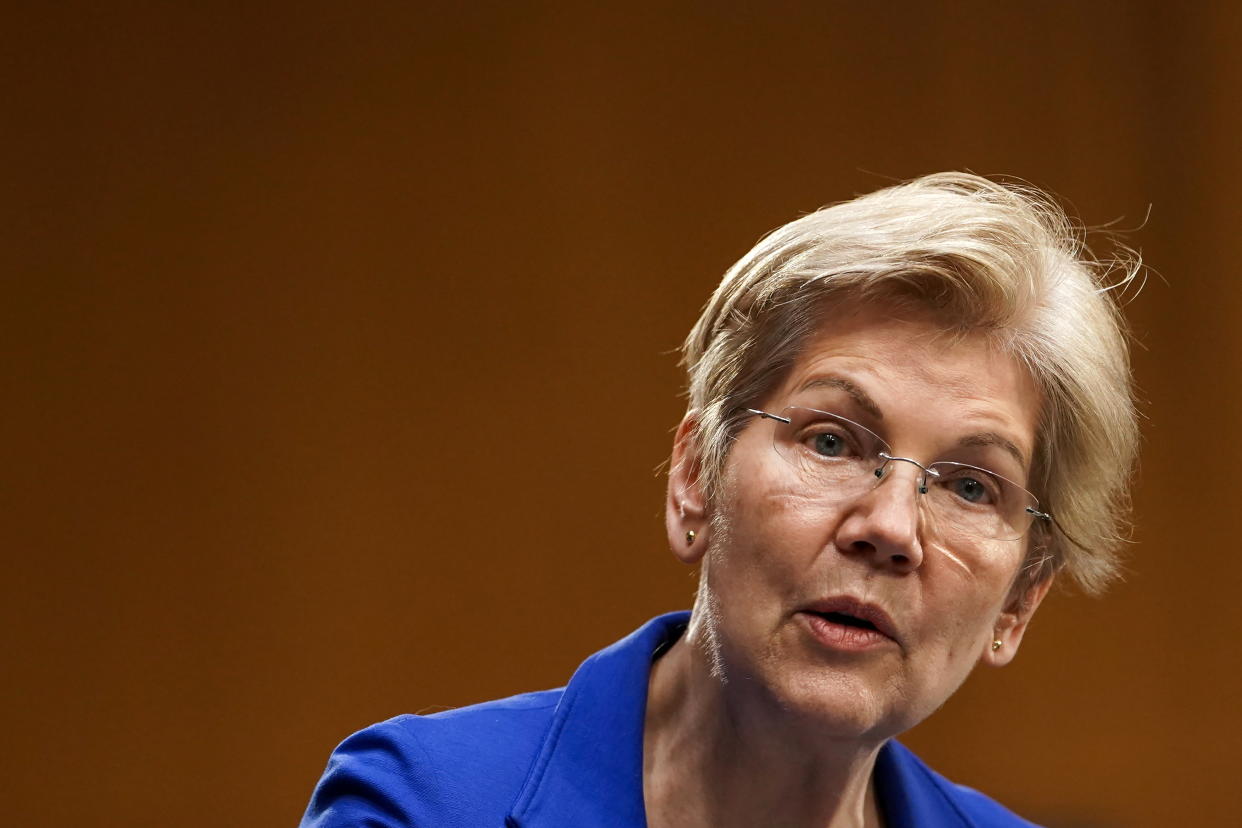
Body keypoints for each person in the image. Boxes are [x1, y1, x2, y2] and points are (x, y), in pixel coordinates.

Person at [300, 173, 1139, 827]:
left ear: (1020, 602)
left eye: (968, 486)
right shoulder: (424, 806)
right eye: (832, 441)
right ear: (695, 475)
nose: (888, 527)